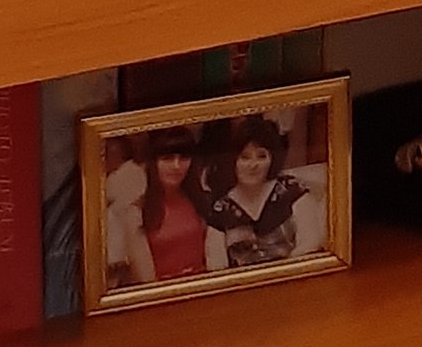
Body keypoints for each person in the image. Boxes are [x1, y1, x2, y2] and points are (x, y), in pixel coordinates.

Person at [205, 115, 317, 270]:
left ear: (272, 159)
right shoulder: (220, 211)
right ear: (233, 161)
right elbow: (216, 266)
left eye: (261, 156)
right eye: (245, 157)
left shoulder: (293, 191)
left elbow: (310, 245)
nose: (253, 165)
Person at [125, 130, 228, 287]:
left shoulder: (201, 200)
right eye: (167, 158)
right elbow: (145, 280)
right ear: (153, 163)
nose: (176, 166)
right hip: (163, 295)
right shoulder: (137, 213)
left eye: (183, 158)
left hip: (204, 288)